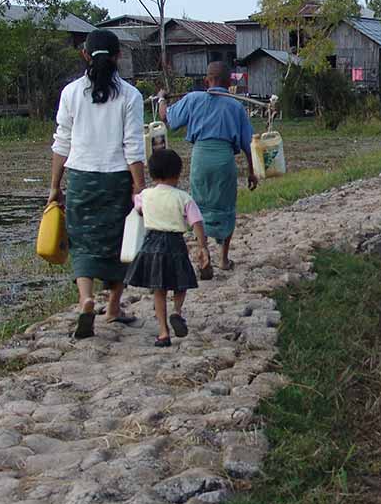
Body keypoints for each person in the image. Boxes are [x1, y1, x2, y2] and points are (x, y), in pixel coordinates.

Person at [49, 29, 145, 339]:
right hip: (117, 180)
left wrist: (55, 186)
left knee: (83, 243)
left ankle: (85, 299)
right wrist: (139, 187)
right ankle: (114, 307)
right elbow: (133, 147)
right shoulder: (130, 95)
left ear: (85, 55)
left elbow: (61, 143)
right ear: (119, 56)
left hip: (81, 179)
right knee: (122, 244)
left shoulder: (71, 93)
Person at [160, 61, 257, 272]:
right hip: (224, 160)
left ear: (206, 81)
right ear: (230, 83)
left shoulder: (194, 98)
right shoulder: (235, 105)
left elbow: (166, 117)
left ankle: (203, 250)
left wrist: (161, 99)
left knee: (198, 206)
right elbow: (248, 145)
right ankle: (223, 258)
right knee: (226, 207)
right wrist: (252, 172)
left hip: (201, 158)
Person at [124, 149, 209, 347]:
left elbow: (138, 209)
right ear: (178, 174)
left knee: (158, 290)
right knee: (182, 282)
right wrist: (202, 247)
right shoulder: (183, 198)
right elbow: (197, 222)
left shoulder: (145, 195)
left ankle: (163, 333)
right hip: (175, 243)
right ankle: (177, 311)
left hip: (151, 244)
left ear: (152, 174)